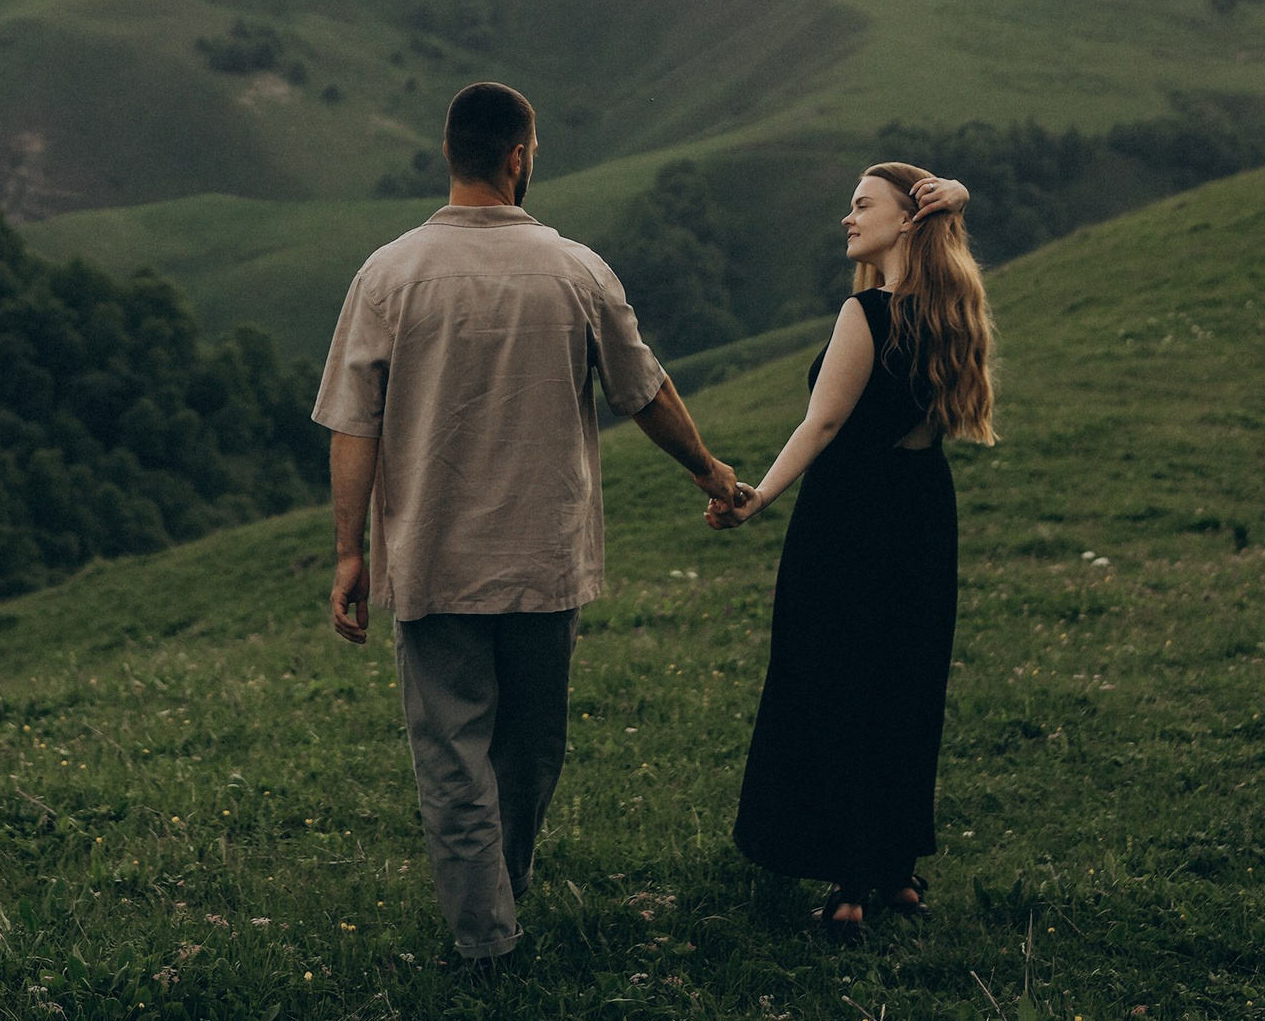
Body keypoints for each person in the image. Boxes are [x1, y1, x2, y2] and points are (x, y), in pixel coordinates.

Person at [313, 79, 744, 966]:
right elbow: (645, 392)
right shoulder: (575, 270)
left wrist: (349, 552)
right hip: (543, 561)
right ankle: (497, 916)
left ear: (449, 155)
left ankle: (485, 933)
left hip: (431, 559)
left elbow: (354, 422)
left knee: (451, 755)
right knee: (530, 750)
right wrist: (707, 470)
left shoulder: (388, 273)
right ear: (519, 157)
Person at [713, 158, 991, 931]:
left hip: (848, 518)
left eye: (862, 204)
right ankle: (896, 869)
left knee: (834, 684)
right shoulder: (953, 311)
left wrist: (759, 494)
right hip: (925, 511)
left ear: (907, 220)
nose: (847, 216)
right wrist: (956, 196)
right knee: (904, 684)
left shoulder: (867, 313)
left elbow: (824, 423)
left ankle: (847, 886)